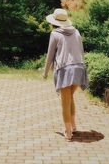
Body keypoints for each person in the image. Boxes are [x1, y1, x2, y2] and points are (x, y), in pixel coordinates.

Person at [42, 8, 89, 141]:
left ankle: (68, 132)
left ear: (54, 22)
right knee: (70, 97)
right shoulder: (77, 32)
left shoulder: (55, 34)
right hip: (79, 68)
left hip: (64, 69)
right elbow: (81, 50)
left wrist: (45, 73)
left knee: (65, 102)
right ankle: (73, 125)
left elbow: (50, 55)